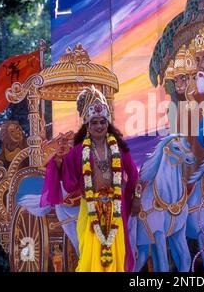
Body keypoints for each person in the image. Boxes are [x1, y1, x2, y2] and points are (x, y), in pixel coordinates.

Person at [40, 86, 140, 272]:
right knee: (89, 254)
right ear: (87, 125)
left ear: (108, 123)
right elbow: (67, 178)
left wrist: (135, 199)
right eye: (94, 122)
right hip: (90, 208)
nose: (99, 126)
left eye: (102, 122)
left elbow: (133, 174)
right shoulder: (79, 150)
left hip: (115, 207)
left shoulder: (117, 147)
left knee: (116, 254)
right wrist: (59, 160)